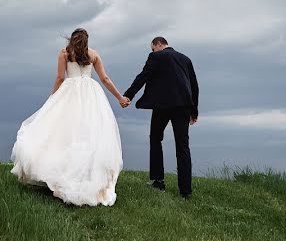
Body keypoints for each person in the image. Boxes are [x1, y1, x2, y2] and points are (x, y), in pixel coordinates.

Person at [10, 28, 129, 206]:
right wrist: (120, 98)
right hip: (91, 96)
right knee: (89, 135)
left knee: (64, 135)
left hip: (69, 94)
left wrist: (53, 99)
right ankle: (85, 175)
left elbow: (59, 77)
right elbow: (104, 79)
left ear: (72, 39)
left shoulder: (64, 54)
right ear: (87, 41)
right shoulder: (94, 54)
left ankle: (64, 174)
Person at [122, 36, 199, 198]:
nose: (152, 51)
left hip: (162, 106)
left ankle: (158, 181)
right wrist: (194, 111)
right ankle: (186, 191)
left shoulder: (156, 56)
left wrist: (128, 96)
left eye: (152, 48)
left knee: (155, 138)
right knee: (183, 146)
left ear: (158, 44)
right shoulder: (185, 59)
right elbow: (194, 86)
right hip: (184, 106)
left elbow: (143, 76)